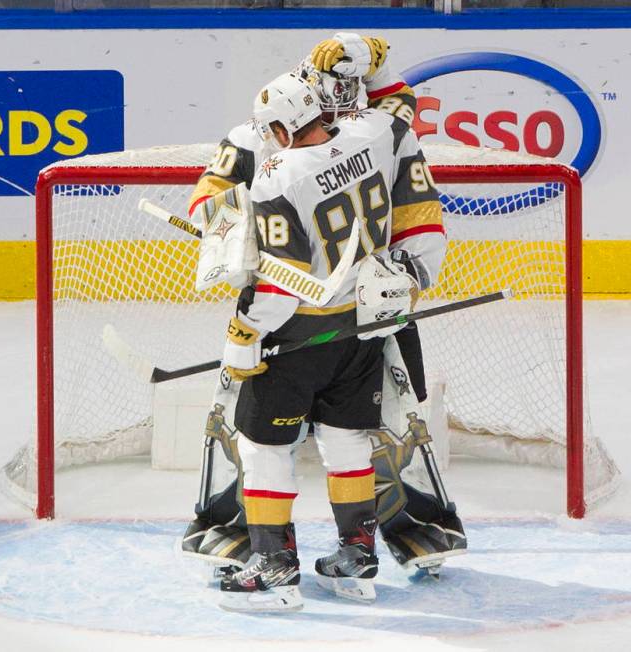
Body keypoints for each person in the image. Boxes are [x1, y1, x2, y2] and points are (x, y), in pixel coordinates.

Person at [183, 34, 466, 590]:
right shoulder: (374, 130)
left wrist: (246, 328)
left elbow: (278, 281)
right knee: (352, 438)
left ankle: (399, 529)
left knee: (322, 437)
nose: (345, 94)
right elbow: (205, 210)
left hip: (299, 327)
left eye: (353, 83)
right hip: (364, 319)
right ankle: (293, 539)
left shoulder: (304, 155)